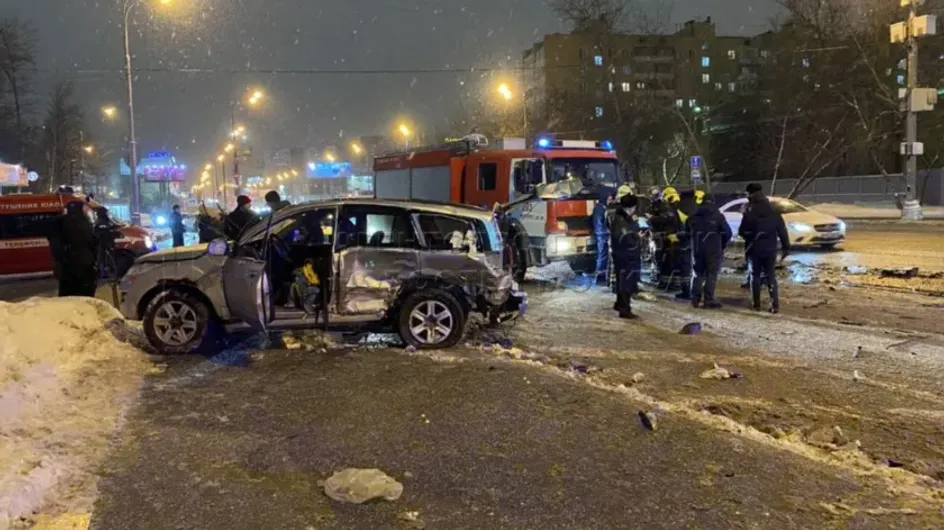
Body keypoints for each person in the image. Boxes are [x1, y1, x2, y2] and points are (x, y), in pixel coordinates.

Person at [739, 192, 790, 313]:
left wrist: (750, 236)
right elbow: (783, 233)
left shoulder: (749, 214)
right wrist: (786, 248)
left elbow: (741, 231)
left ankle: (756, 304)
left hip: (754, 249)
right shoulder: (775, 214)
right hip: (770, 249)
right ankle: (775, 305)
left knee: (754, 276)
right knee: (770, 276)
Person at [686, 194, 732, 308]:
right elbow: (728, 233)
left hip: (697, 249)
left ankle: (694, 299)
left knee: (697, 273)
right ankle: (708, 299)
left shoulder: (692, 216)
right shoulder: (718, 216)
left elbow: (686, 232)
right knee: (711, 274)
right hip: (713, 249)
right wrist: (722, 245)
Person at [47, 200, 98, 297]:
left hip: (69, 267)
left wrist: (60, 260)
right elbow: (92, 243)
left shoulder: (60, 222)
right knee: (84, 295)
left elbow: (55, 245)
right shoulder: (84, 223)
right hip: (84, 266)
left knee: (69, 295)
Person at [609, 193, 643, 319]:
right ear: (628, 207)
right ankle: (625, 309)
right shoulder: (619, 220)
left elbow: (634, 226)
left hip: (630, 254)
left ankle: (619, 303)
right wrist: (636, 236)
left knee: (623, 280)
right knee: (626, 281)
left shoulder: (629, 217)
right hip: (623, 255)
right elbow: (621, 237)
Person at [741, 183, 766, 289]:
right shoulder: (767, 204)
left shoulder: (751, 206)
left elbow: (746, 221)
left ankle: (754, 281)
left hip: (752, 239)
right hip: (765, 239)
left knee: (752, 261)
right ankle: (760, 279)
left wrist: (744, 233)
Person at [593, 187, 616, 285]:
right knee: (602, 256)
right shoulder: (599, 209)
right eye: (609, 199)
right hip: (602, 236)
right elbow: (600, 225)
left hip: (604, 235)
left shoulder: (603, 208)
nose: (610, 201)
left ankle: (604, 277)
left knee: (606, 256)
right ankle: (600, 277)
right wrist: (608, 232)